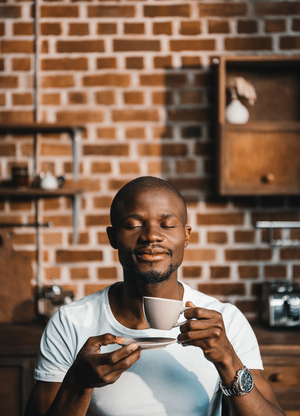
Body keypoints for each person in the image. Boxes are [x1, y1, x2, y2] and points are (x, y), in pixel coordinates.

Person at [25, 176, 284, 416]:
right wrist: (78, 384)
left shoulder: (224, 322)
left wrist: (229, 361)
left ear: (185, 236)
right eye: (134, 225)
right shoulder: (71, 323)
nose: (151, 236)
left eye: (167, 224)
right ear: (113, 237)